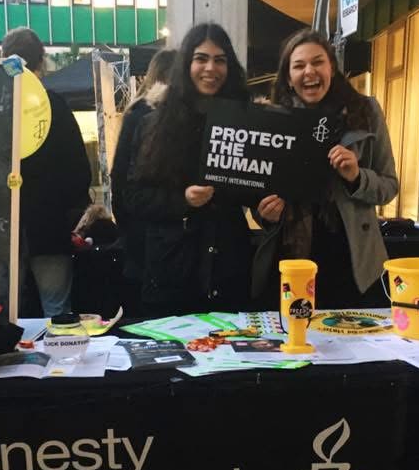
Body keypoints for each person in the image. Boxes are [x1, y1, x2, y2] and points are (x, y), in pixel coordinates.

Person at [252, 29, 399, 309]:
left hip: (354, 263)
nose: (309, 71)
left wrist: (357, 177)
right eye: (299, 65)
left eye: (318, 62)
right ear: (288, 78)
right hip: (292, 259)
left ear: (332, 67)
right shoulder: (271, 122)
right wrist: (265, 214)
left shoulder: (366, 112)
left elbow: (389, 186)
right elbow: (259, 196)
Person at [127, 23, 252, 316]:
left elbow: (254, 190)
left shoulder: (246, 121)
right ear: (186, 64)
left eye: (220, 60)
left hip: (228, 269)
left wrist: (266, 208)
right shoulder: (152, 123)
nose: (211, 68)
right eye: (201, 58)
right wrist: (182, 200)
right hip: (173, 272)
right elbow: (133, 196)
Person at [2, 27, 91, 316]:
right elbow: (79, 171)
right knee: (57, 312)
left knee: (5, 311)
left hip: (2, 229)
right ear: (41, 61)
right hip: (50, 226)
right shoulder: (55, 106)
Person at [110, 48, 176, 316]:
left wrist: (126, 228)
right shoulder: (151, 115)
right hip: (157, 238)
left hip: (138, 237)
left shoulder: (133, 112)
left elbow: (118, 178)